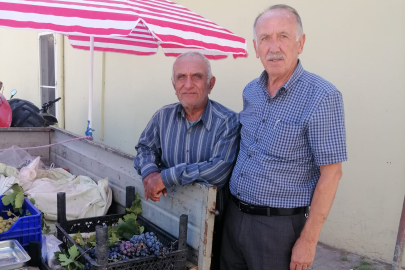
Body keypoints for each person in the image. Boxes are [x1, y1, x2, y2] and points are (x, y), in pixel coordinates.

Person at [221, 4, 347, 270]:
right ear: (255, 48)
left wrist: (309, 241)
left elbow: (332, 174)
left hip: (277, 230)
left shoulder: (322, 97)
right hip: (234, 218)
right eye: (265, 38)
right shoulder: (251, 92)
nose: (273, 46)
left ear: (300, 43)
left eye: (283, 36)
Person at [133, 51, 240, 269]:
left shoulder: (227, 121)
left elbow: (218, 171)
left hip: (211, 224)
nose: (188, 84)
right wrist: (149, 173)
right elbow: (144, 147)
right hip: (169, 215)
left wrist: (165, 177)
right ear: (174, 84)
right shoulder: (163, 116)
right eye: (181, 77)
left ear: (210, 83)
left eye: (197, 77)